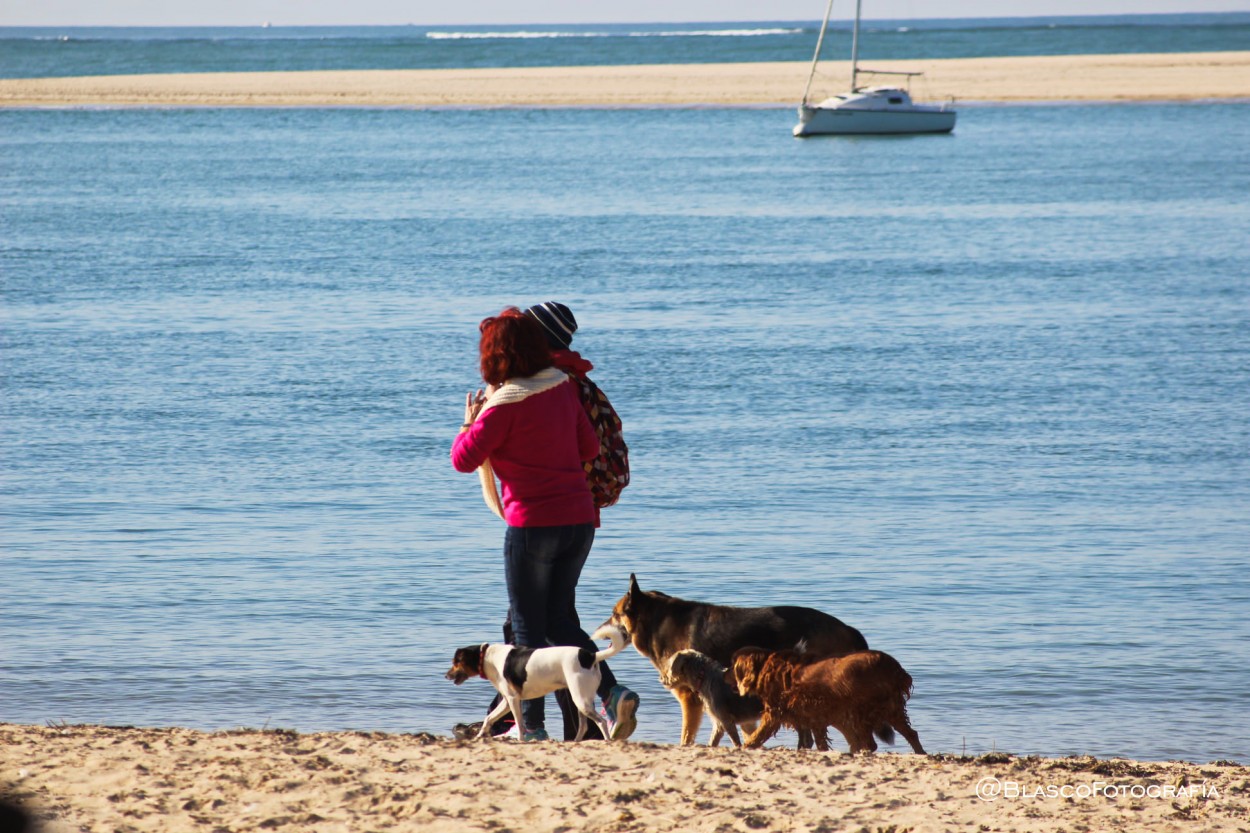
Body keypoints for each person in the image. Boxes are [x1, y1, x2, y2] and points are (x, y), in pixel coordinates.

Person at [451, 307, 639, 742]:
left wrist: (471, 420)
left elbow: (463, 460)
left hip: (532, 524)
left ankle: (529, 728)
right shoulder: (562, 389)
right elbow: (589, 447)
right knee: (560, 618)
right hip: (579, 522)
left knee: (526, 629)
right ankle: (611, 696)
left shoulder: (502, 406)